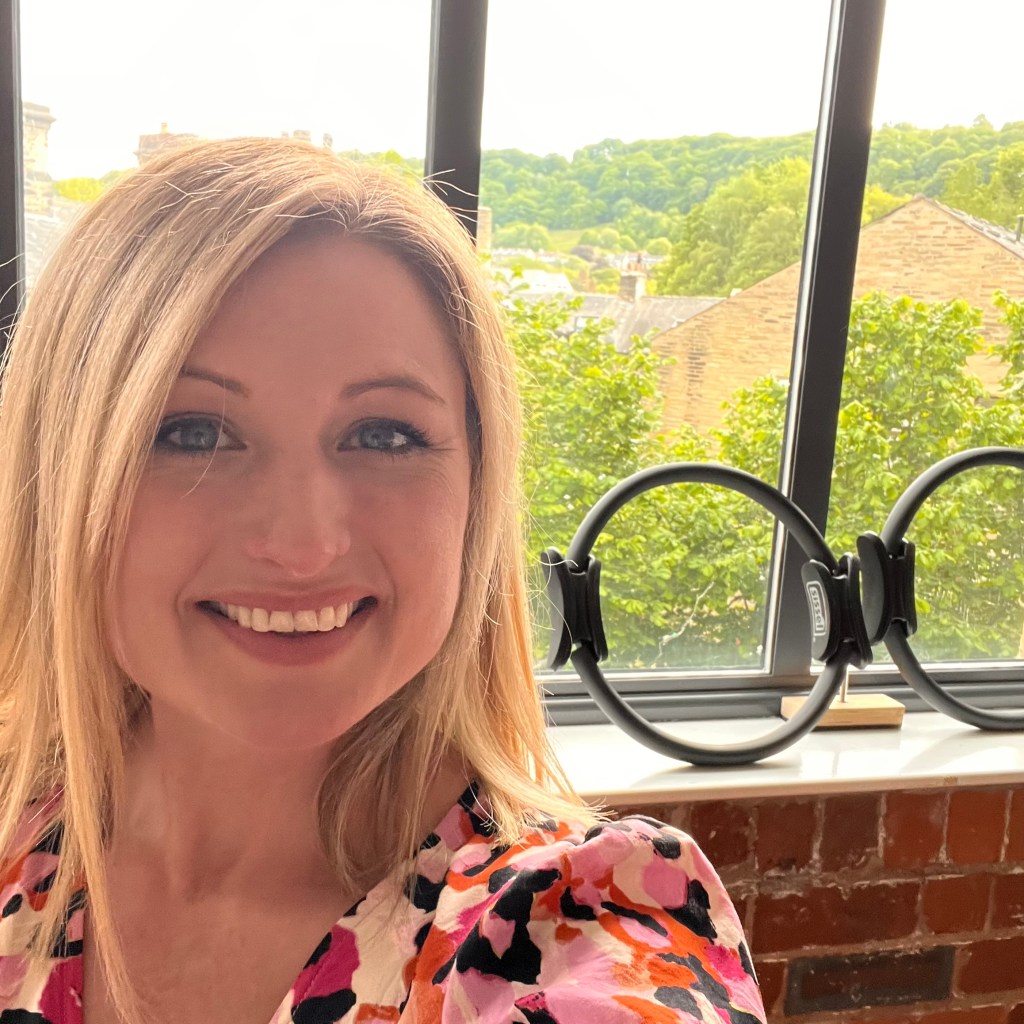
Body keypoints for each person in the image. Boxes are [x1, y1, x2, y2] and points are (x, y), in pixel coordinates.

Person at [0, 137, 765, 1024]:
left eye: (384, 436)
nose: (302, 545)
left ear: (475, 489)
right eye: (192, 432)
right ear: (57, 478)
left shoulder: (570, 926)